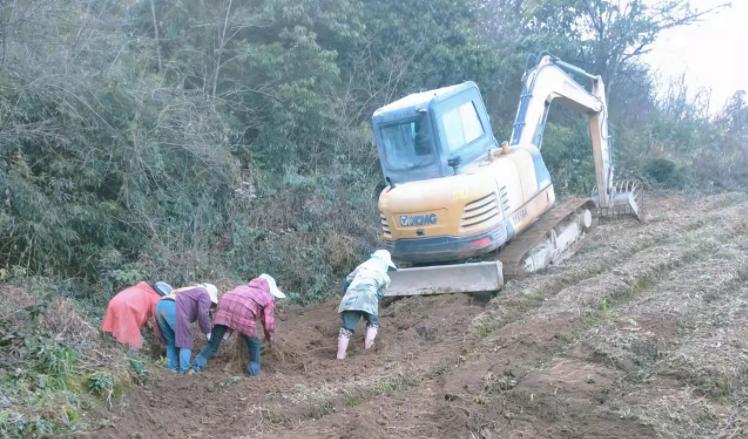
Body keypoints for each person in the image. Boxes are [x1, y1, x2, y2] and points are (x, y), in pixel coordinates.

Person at [193, 274, 285, 376]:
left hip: (223, 307)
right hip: (244, 313)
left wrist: (228, 332)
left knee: (213, 343)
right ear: (269, 288)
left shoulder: (242, 287)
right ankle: (254, 373)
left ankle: (197, 366)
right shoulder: (267, 297)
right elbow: (268, 323)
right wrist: (269, 336)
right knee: (254, 344)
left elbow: (233, 309)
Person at [336, 249, 397, 360]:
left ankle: (340, 355)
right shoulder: (386, 278)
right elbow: (378, 296)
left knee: (347, 327)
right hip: (370, 297)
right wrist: (371, 310)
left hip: (351, 296)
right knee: (373, 323)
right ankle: (368, 349)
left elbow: (347, 282)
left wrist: (346, 298)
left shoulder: (361, 267)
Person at [155, 283, 218, 374]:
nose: (210, 305)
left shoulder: (190, 290)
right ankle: (184, 372)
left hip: (160, 305)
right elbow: (202, 315)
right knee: (186, 341)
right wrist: (208, 332)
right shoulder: (204, 293)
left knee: (170, 341)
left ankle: (170, 369)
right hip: (174, 307)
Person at [101, 281, 173, 350]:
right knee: (135, 341)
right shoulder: (156, 299)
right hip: (126, 308)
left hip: (114, 302)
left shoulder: (141, 288)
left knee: (114, 330)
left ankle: (108, 345)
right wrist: (161, 339)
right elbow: (156, 322)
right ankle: (132, 359)